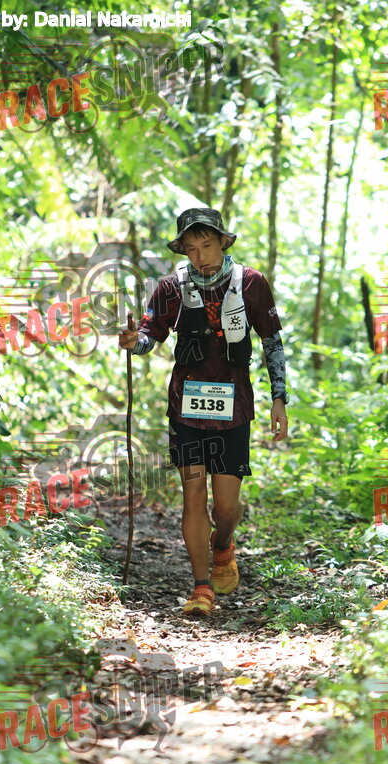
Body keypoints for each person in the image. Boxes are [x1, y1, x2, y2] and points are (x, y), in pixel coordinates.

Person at [118, 208, 288, 617]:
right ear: (183, 250)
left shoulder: (250, 283)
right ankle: (200, 587)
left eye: (207, 245)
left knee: (226, 506)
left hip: (234, 406)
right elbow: (151, 335)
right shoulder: (170, 288)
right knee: (193, 494)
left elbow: (272, 342)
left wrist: (279, 398)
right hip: (187, 408)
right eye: (191, 249)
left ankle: (223, 544)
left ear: (223, 242)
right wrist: (134, 341)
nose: (200, 256)